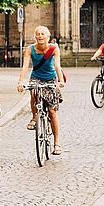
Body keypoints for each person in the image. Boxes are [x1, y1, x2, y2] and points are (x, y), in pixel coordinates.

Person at [17, 24, 66, 155]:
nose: (40, 36)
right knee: (33, 92)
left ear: (48, 36)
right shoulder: (30, 49)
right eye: (38, 34)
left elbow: (57, 66)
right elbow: (25, 66)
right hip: (36, 77)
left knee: (52, 111)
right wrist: (21, 81)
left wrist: (60, 81)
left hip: (50, 78)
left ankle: (56, 143)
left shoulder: (54, 48)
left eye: (43, 34)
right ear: (35, 36)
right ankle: (34, 117)